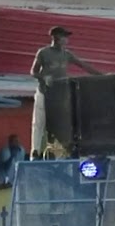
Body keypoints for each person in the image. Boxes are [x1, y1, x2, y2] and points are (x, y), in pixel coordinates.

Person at [29, 26, 104, 158]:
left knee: (60, 125)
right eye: (64, 37)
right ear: (56, 37)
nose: (66, 40)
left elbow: (83, 65)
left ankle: (59, 154)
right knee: (39, 123)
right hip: (44, 92)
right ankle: (35, 152)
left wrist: (102, 76)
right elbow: (33, 72)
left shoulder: (66, 54)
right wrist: (43, 77)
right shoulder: (43, 52)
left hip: (59, 95)